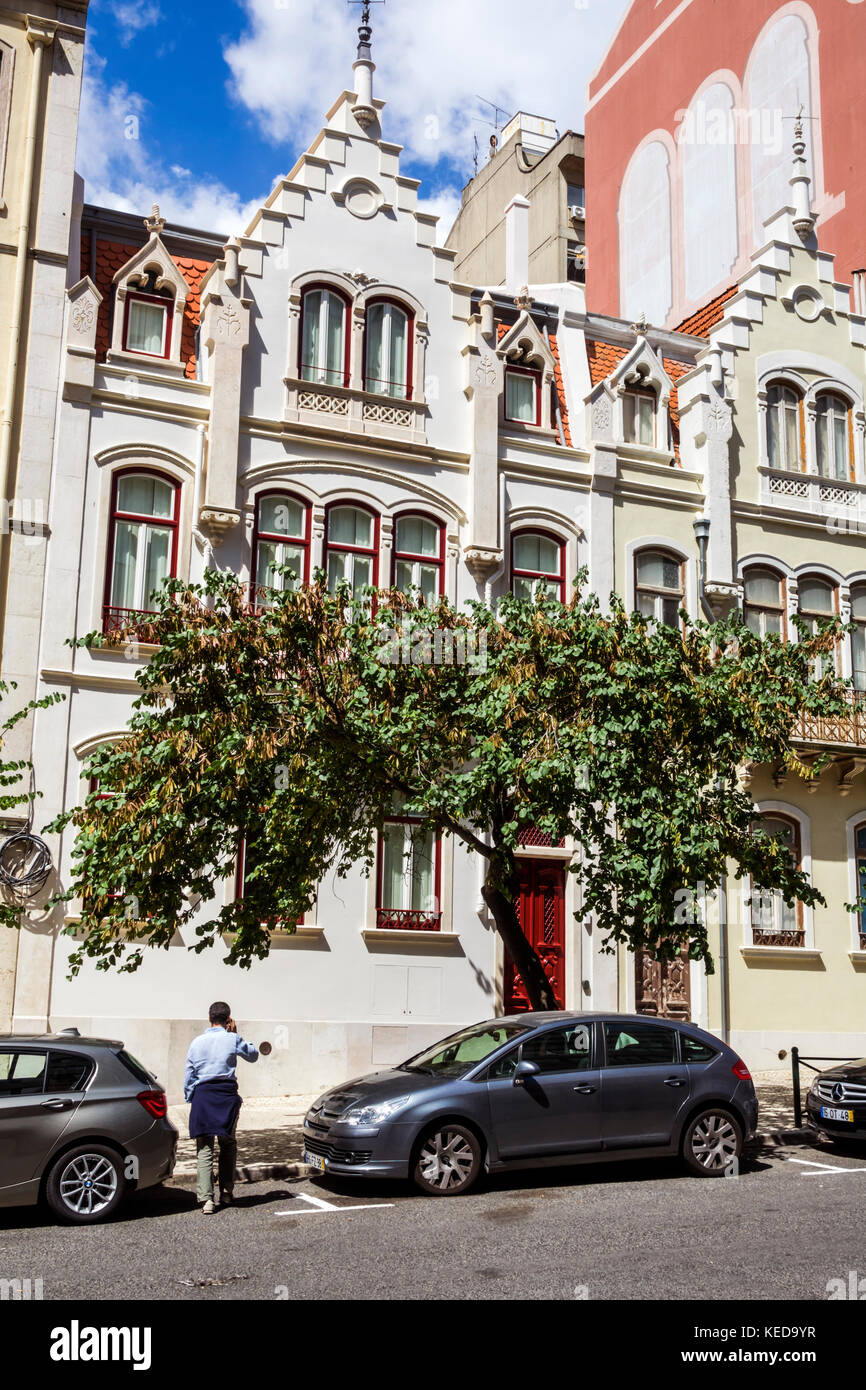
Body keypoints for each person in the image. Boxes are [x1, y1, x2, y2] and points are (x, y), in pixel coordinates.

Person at [184, 1002, 259, 1214]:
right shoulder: (232, 1038)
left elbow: (189, 1074)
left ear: (209, 1019)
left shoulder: (196, 1042)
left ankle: (207, 1200)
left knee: (204, 1148)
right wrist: (235, 1033)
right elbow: (253, 1055)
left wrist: (191, 1097)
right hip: (226, 1096)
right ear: (228, 1020)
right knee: (228, 1144)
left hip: (203, 1096)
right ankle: (226, 1192)